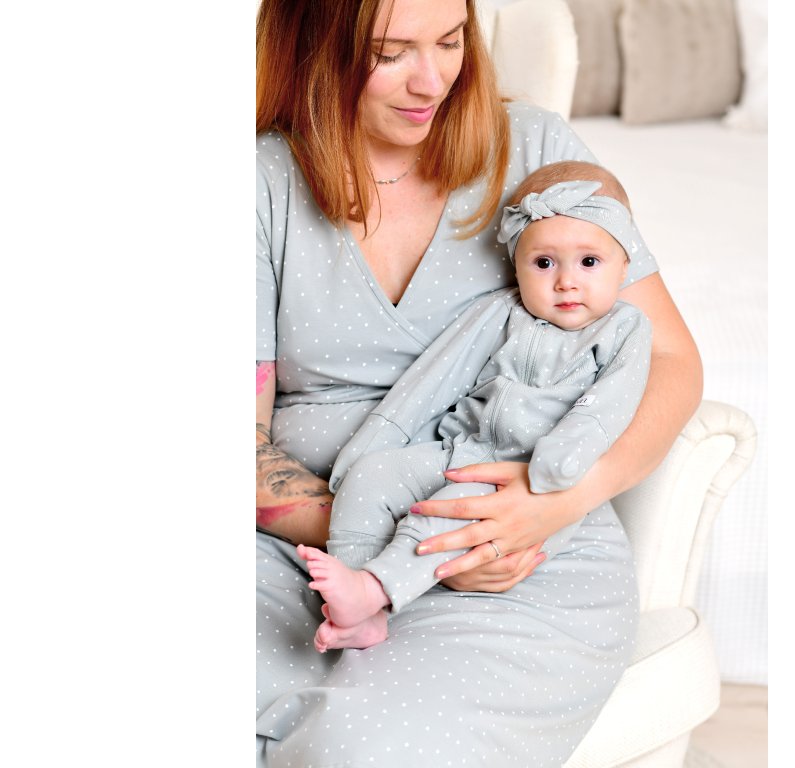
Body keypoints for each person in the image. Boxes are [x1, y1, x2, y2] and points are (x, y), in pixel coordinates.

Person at [255, 0, 703, 765]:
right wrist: (407, 539)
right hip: (296, 545)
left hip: (520, 553)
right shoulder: (260, 182)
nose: (431, 80)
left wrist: (553, 504)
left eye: (451, 41)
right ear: (311, 46)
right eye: (390, 52)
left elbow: (667, 358)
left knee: (368, 751)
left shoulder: (538, 153)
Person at [297, 161, 653, 652]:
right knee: (371, 476)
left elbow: (610, 402)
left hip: (532, 480)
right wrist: (375, 440)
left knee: (448, 511)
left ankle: (374, 589)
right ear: (517, 264)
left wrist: (565, 455)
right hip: (461, 450)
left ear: (624, 266)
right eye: (544, 263)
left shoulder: (624, 328)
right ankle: (358, 607)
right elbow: (433, 380)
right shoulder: (500, 312)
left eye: (589, 262)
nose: (566, 282)